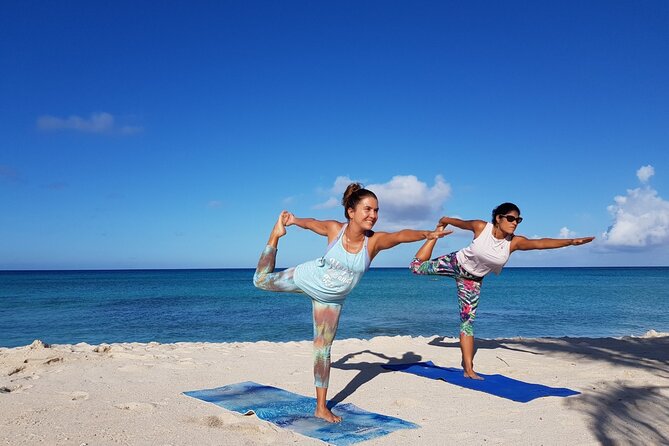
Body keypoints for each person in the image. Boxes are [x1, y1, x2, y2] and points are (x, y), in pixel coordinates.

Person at [253, 183, 450, 423]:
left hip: (331, 302)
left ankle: (321, 407)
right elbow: (312, 222)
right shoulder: (335, 230)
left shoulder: (374, 242)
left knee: (322, 352)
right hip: (307, 278)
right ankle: (274, 236)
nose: (373, 215)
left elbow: (399, 236)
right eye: (367, 209)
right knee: (260, 281)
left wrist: (425, 235)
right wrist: (292, 220)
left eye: (376, 210)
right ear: (351, 212)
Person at [410, 202, 595, 380]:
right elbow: (458, 222)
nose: (515, 222)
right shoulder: (481, 227)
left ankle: (468, 368)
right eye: (511, 218)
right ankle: (434, 236)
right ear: (498, 218)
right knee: (416, 267)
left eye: (518, 220)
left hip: (472, 282)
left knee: (467, 323)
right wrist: (444, 221)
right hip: (455, 263)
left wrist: (571, 241)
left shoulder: (513, 243)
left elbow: (541, 243)